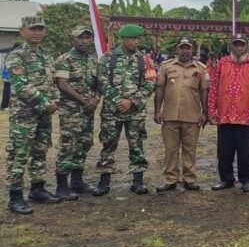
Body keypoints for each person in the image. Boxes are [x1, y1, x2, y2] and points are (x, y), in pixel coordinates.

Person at [5, 16, 61, 214]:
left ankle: (37, 189)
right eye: (33, 29)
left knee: (40, 151)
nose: (37, 32)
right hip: (24, 115)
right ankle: (15, 196)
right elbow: (20, 86)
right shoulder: (16, 56)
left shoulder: (46, 55)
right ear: (22, 30)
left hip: (44, 115)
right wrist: (46, 104)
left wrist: (54, 100)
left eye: (40, 29)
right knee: (19, 154)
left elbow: (51, 82)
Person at [93, 23, 156, 196]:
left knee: (136, 145)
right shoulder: (107, 58)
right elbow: (102, 82)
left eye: (138, 39)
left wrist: (131, 101)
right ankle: (104, 182)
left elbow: (151, 83)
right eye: (133, 39)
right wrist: (118, 100)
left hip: (135, 112)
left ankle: (138, 181)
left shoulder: (145, 60)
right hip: (112, 111)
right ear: (124, 39)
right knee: (108, 145)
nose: (137, 42)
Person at [207, 34, 249, 192]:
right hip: (225, 114)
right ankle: (226, 179)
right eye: (236, 45)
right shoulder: (222, 63)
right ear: (231, 46)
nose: (239, 48)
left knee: (246, 150)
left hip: (246, 115)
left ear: (247, 46)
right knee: (224, 150)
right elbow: (213, 87)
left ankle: (246, 179)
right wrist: (211, 110)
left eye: (242, 45)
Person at [154, 37, 209, 192]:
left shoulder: (200, 68)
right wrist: (157, 111)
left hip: (192, 116)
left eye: (188, 48)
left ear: (192, 50)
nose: (185, 51)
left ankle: (189, 178)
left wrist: (205, 112)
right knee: (170, 149)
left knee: (190, 150)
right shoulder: (166, 66)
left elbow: (204, 91)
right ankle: (170, 179)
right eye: (182, 48)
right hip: (170, 115)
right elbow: (159, 89)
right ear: (177, 49)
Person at [53, 26, 101, 201]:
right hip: (71, 112)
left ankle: (77, 181)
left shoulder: (92, 60)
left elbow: (99, 83)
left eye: (88, 38)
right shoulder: (64, 59)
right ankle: (61, 185)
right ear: (72, 39)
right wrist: (83, 101)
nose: (85, 41)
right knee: (68, 145)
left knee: (84, 144)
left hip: (88, 111)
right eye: (81, 38)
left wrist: (96, 99)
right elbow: (63, 85)